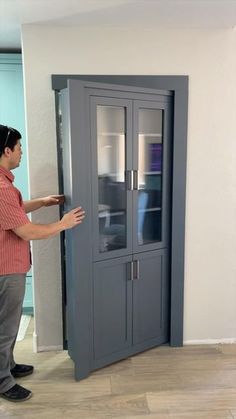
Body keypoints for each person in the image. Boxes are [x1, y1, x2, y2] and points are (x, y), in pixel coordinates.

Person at [0, 124, 85, 402]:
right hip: (6, 269)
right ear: (6, 150)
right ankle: (2, 382)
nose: (22, 152)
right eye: (19, 147)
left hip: (11, 266)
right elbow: (26, 231)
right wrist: (63, 224)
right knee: (6, 327)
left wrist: (43, 202)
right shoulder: (1, 187)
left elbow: (15, 209)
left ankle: (9, 366)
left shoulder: (5, 185)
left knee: (8, 325)